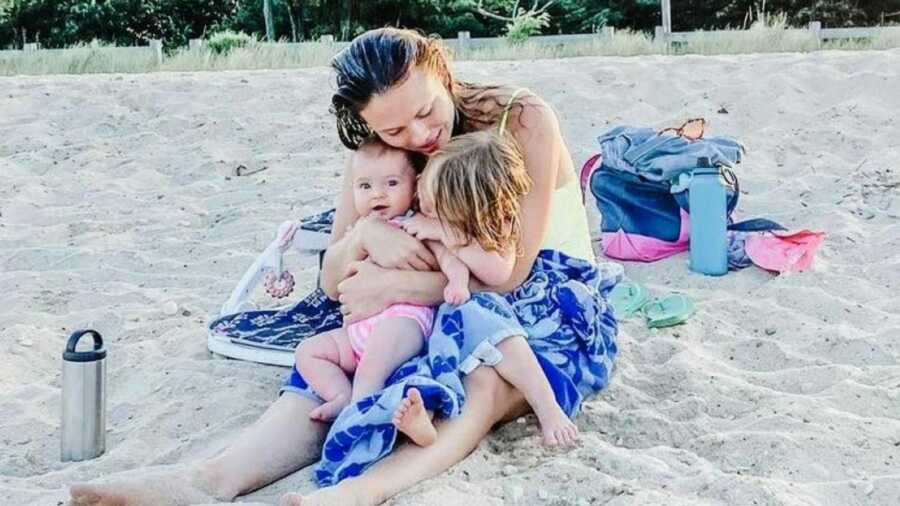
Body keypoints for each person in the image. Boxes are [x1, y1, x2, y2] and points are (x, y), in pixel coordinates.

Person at [68, 27, 616, 506]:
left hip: (539, 289)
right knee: (345, 357)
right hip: (434, 292)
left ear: (441, 69)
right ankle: (212, 479)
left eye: (426, 112)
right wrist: (366, 233)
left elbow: (514, 270)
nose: (420, 136)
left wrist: (400, 283)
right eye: (396, 131)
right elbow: (332, 281)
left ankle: (359, 492)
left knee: (486, 370)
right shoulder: (379, 142)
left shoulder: (521, 120)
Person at [394, 129, 579, 448]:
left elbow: (497, 271)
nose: (422, 200)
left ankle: (548, 409)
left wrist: (444, 233)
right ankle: (425, 420)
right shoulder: (430, 212)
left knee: (504, 339)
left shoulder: (491, 227)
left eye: (434, 202)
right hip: (442, 315)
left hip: (493, 311)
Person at [294, 139, 434, 423]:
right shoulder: (356, 232)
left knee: (371, 369)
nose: (377, 194)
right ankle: (341, 396)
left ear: (415, 186)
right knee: (307, 352)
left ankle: (358, 417)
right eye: (365, 186)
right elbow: (332, 284)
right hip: (357, 330)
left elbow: (436, 267)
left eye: (392, 183)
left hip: (402, 320)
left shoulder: (418, 224)